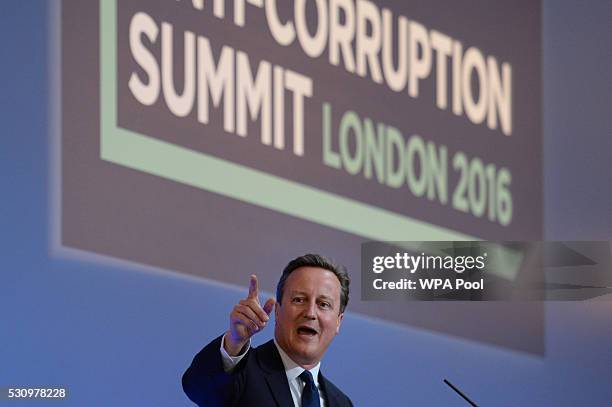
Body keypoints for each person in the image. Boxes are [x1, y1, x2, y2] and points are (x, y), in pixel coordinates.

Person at [182, 254, 353, 407]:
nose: (310, 313)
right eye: (299, 300)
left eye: (323, 304)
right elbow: (200, 389)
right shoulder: (242, 374)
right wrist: (234, 342)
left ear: (339, 322)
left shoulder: (341, 402)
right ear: (278, 311)